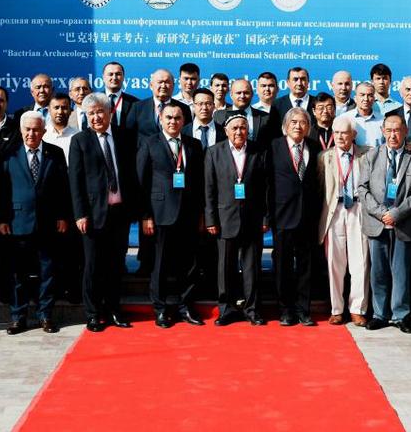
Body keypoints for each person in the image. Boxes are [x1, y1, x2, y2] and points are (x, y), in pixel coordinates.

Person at [68, 93, 139, 332]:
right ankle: (93, 313)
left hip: (120, 213)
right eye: (91, 113)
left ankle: (114, 309)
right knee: (92, 266)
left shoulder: (124, 136)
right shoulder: (80, 141)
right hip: (92, 214)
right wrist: (80, 214)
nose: (96, 117)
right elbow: (75, 181)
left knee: (115, 264)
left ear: (110, 113)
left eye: (100, 112)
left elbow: (131, 173)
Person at [0, 112, 70, 335]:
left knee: (48, 271)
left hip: (48, 223)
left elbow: (63, 188)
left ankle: (45, 315)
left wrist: (62, 216)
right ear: (21, 130)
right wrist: (2, 219)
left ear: (44, 131)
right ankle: (18, 317)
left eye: (36, 129)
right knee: (19, 273)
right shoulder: (8, 153)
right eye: (27, 129)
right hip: (17, 222)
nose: (31, 133)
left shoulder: (55, 153)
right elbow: (0, 189)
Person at [137, 104, 206, 327]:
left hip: (189, 214)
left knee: (189, 264)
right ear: (160, 118)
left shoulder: (194, 145)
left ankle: (186, 307)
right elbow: (142, 181)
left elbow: (200, 182)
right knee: (161, 264)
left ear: (184, 120)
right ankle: (161, 309)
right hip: (161, 214)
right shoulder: (149, 143)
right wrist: (146, 215)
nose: (173, 121)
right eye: (168, 117)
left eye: (177, 118)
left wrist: (201, 214)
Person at [358, 114, 411, 333]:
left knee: (401, 272)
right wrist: (381, 213)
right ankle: (380, 314)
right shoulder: (371, 156)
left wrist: (396, 213)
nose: (393, 135)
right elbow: (362, 189)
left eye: (397, 130)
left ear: (405, 131)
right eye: (389, 130)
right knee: (378, 272)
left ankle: (400, 315)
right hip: (377, 223)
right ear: (383, 131)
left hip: (403, 223)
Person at [204, 114, 271, 326]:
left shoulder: (259, 151)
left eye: (243, 127)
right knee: (225, 269)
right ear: (226, 131)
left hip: (253, 219)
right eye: (234, 128)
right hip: (224, 219)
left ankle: (252, 309)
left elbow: (266, 188)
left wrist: (265, 217)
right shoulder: (214, 152)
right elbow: (209, 189)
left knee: (252, 268)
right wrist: (210, 219)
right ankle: (227, 309)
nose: (239, 132)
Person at [268, 107, 321, 326]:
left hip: (308, 216)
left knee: (306, 266)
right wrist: (267, 215)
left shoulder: (315, 147)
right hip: (282, 215)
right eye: (294, 122)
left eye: (303, 123)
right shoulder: (274, 147)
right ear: (285, 126)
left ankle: (303, 310)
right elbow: (267, 183)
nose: (298, 126)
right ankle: (286, 310)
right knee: (283, 266)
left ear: (308, 127)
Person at [318, 115, 370, 326]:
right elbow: (318, 188)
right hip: (334, 211)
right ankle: (337, 309)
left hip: (358, 209)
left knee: (361, 261)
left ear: (354, 134)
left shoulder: (366, 154)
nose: (340, 137)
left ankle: (357, 309)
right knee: (335, 262)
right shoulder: (324, 157)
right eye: (336, 133)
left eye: (344, 133)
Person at [126, 68, 193, 139]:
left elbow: (187, 135)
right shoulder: (137, 107)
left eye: (167, 82)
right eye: (160, 82)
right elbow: (129, 135)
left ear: (173, 85)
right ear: (151, 85)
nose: (163, 86)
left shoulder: (184, 108)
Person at [347, 81, 385, 148]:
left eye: (370, 95)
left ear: (374, 99)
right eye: (362, 95)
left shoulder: (383, 120)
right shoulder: (345, 118)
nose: (366, 99)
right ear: (355, 98)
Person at [102, 61, 138, 127]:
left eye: (118, 74)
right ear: (103, 77)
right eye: (110, 74)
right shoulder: (95, 100)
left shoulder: (135, 103)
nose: (114, 78)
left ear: (123, 77)